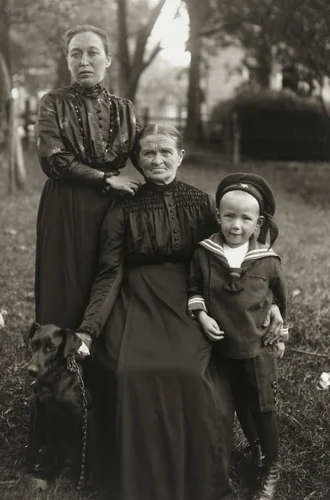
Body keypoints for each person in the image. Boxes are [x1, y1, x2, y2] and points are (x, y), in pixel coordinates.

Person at [76, 126, 284, 500]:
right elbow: (109, 273)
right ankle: (139, 474)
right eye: (148, 154)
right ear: (137, 161)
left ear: (181, 156)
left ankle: (199, 470)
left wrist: (267, 305)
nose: (157, 160)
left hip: (195, 297)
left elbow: (237, 258)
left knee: (193, 370)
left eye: (165, 152)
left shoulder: (202, 202)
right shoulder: (122, 208)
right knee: (130, 370)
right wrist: (90, 329)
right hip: (137, 299)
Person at [187, 173, 289, 500]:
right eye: (229, 216)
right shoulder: (205, 254)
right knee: (238, 403)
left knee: (262, 406)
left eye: (246, 219)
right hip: (221, 347)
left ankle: (272, 465)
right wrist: (201, 315)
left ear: (258, 223)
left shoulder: (267, 261)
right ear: (217, 215)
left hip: (256, 348)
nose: (236, 225)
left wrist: (279, 327)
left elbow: (279, 298)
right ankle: (255, 450)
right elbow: (193, 288)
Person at [35, 24, 141, 331]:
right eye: (75, 54)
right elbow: (53, 159)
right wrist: (106, 179)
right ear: (67, 60)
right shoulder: (53, 102)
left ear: (107, 59)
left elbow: (148, 154)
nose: (84, 62)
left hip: (111, 208)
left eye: (93, 53)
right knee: (65, 277)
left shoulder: (125, 110)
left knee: (104, 273)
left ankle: (97, 347)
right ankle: (57, 350)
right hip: (65, 203)